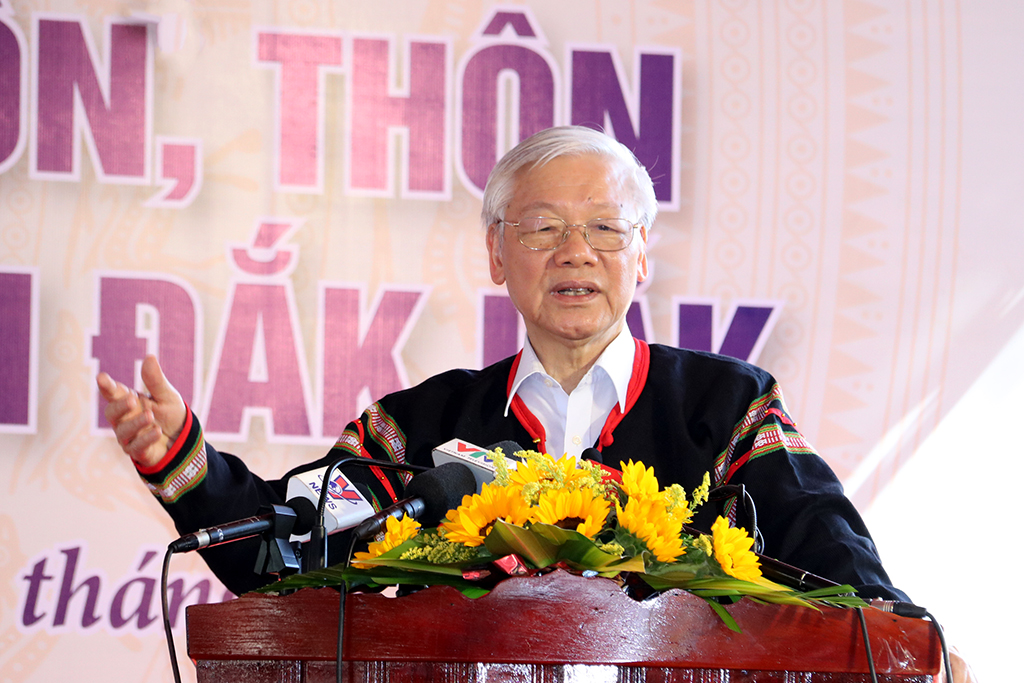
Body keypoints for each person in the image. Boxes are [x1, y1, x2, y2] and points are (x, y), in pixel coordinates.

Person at [98, 126, 903, 602]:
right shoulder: (419, 426)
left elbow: (821, 544)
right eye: (543, 227)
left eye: (606, 229)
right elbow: (288, 543)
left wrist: (906, 636)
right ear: (496, 253)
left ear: (643, 256)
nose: (576, 252)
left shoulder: (727, 407)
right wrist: (182, 460)